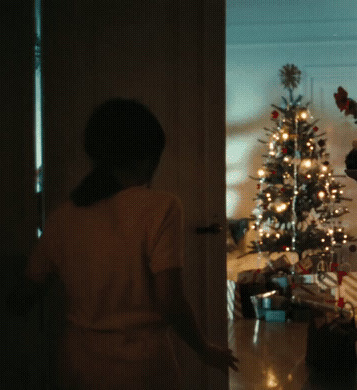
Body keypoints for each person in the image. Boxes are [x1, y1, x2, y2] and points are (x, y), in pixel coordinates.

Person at [26, 98, 238, 389]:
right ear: (148, 157)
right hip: (140, 367)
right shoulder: (160, 208)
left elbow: (25, 293)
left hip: (76, 366)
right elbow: (170, 301)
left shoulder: (64, 216)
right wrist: (204, 349)